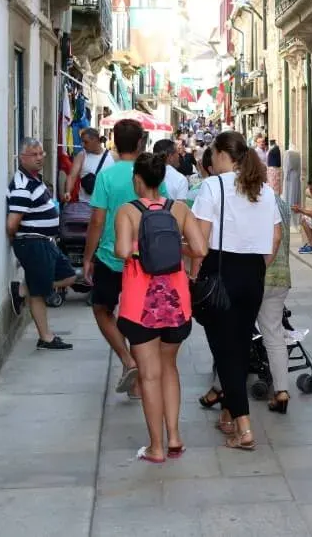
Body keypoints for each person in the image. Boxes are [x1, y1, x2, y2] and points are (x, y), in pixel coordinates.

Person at [114, 153, 207, 463]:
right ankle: (175, 436)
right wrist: (173, 247)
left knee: (149, 375)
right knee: (170, 367)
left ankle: (156, 446)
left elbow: (122, 251)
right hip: (176, 302)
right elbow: (200, 248)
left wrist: (142, 250)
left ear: (137, 180)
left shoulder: (127, 211)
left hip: (140, 303)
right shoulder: (178, 209)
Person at [192, 131, 282, 450]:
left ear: (220, 155)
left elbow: (199, 243)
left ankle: (244, 427)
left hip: (221, 271)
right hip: (253, 273)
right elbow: (276, 236)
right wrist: (258, 266)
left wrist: (193, 272)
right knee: (241, 345)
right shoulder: (263, 189)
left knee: (225, 350)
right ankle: (229, 415)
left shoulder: (212, 186)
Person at [85, 119, 162, 397]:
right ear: (140, 142)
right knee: (138, 317)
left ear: (114, 142)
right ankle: (139, 382)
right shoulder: (150, 172)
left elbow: (97, 220)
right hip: (144, 259)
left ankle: (128, 360)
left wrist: (87, 257)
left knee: (102, 309)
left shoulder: (107, 176)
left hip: (110, 256)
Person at [7, 137, 75, 350]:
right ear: (22, 157)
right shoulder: (22, 185)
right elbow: (12, 224)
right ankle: (45, 338)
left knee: (69, 276)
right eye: (33, 155)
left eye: (41, 153)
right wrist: (20, 242)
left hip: (45, 242)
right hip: (33, 243)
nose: (39, 158)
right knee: (39, 293)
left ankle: (22, 290)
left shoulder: (34, 179)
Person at [258, 194, 293, 413]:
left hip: (257, 274)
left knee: (237, 335)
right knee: (274, 335)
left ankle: (220, 388)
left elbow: (275, 238)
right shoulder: (279, 201)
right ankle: (282, 390)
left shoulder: (250, 199)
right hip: (281, 276)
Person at [65, 128, 113, 203]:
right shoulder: (81, 156)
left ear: (95, 140)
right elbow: (72, 176)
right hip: (86, 204)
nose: (83, 145)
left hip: (106, 205)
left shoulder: (112, 156)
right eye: (82, 142)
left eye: (86, 142)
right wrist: (68, 192)